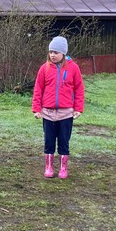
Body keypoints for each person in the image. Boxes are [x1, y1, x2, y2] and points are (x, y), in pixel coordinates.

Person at [31, 36, 84, 179]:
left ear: (63, 53)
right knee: (49, 141)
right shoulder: (44, 68)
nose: (52, 55)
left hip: (66, 113)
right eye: (50, 52)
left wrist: (78, 108)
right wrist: (36, 109)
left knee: (63, 141)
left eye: (56, 52)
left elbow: (79, 89)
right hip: (48, 113)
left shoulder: (73, 68)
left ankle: (63, 168)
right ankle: (48, 166)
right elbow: (38, 89)